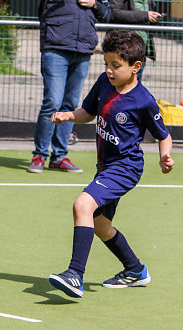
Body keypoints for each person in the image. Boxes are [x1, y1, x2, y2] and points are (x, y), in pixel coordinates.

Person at [48, 30, 174, 298]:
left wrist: (165, 156)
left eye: (115, 66)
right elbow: (88, 113)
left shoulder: (143, 101)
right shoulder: (104, 84)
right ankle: (136, 270)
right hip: (105, 168)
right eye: (106, 64)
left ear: (135, 66)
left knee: (82, 204)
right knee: (100, 226)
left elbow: (164, 135)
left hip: (125, 168)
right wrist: (68, 115)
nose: (109, 70)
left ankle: (74, 275)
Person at [27, 0, 111, 174]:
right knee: (52, 102)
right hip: (55, 49)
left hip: (82, 51)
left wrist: (94, 4)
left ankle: (59, 156)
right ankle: (40, 155)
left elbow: (107, 14)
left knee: (70, 105)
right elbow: (42, 11)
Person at [109, 0, 163, 80]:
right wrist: (145, 16)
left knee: (135, 85)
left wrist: (154, 17)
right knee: (118, 85)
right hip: (123, 48)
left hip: (141, 49)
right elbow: (114, 13)